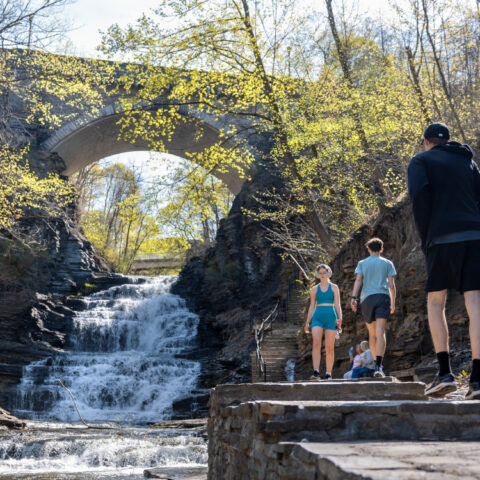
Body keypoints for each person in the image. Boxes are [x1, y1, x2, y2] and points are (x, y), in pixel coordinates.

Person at [408, 122, 480, 399]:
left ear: (426, 141)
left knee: (435, 301)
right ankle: (477, 380)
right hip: (474, 235)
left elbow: (419, 199)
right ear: (449, 140)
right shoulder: (468, 162)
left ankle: (444, 373)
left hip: (441, 237)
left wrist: (427, 237)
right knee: (475, 303)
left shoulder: (420, 161)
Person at [350, 237, 396, 378]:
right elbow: (392, 286)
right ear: (381, 249)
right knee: (380, 331)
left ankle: (375, 362)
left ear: (368, 249)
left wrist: (353, 298)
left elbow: (358, 280)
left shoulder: (362, 263)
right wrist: (393, 302)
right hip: (383, 297)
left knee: (372, 334)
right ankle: (379, 367)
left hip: (367, 299)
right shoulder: (388, 263)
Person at [305, 264, 342, 379]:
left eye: (324, 273)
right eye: (320, 273)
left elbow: (337, 304)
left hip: (331, 317)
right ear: (317, 274)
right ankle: (316, 372)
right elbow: (311, 306)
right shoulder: (314, 289)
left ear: (328, 273)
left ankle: (328, 373)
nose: (322, 275)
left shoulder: (334, 287)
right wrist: (307, 322)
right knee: (316, 342)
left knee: (329, 347)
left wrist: (340, 319)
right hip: (317, 317)